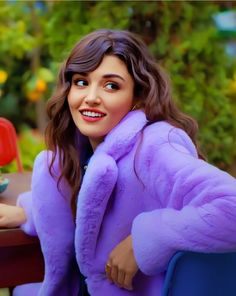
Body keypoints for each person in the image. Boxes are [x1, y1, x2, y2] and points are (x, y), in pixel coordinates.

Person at [1, 29, 236, 296]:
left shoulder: (154, 146)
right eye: (81, 82)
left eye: (111, 85)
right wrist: (31, 212)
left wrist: (145, 239)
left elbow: (231, 208)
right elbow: (94, 209)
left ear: (138, 97)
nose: (91, 97)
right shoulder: (84, 149)